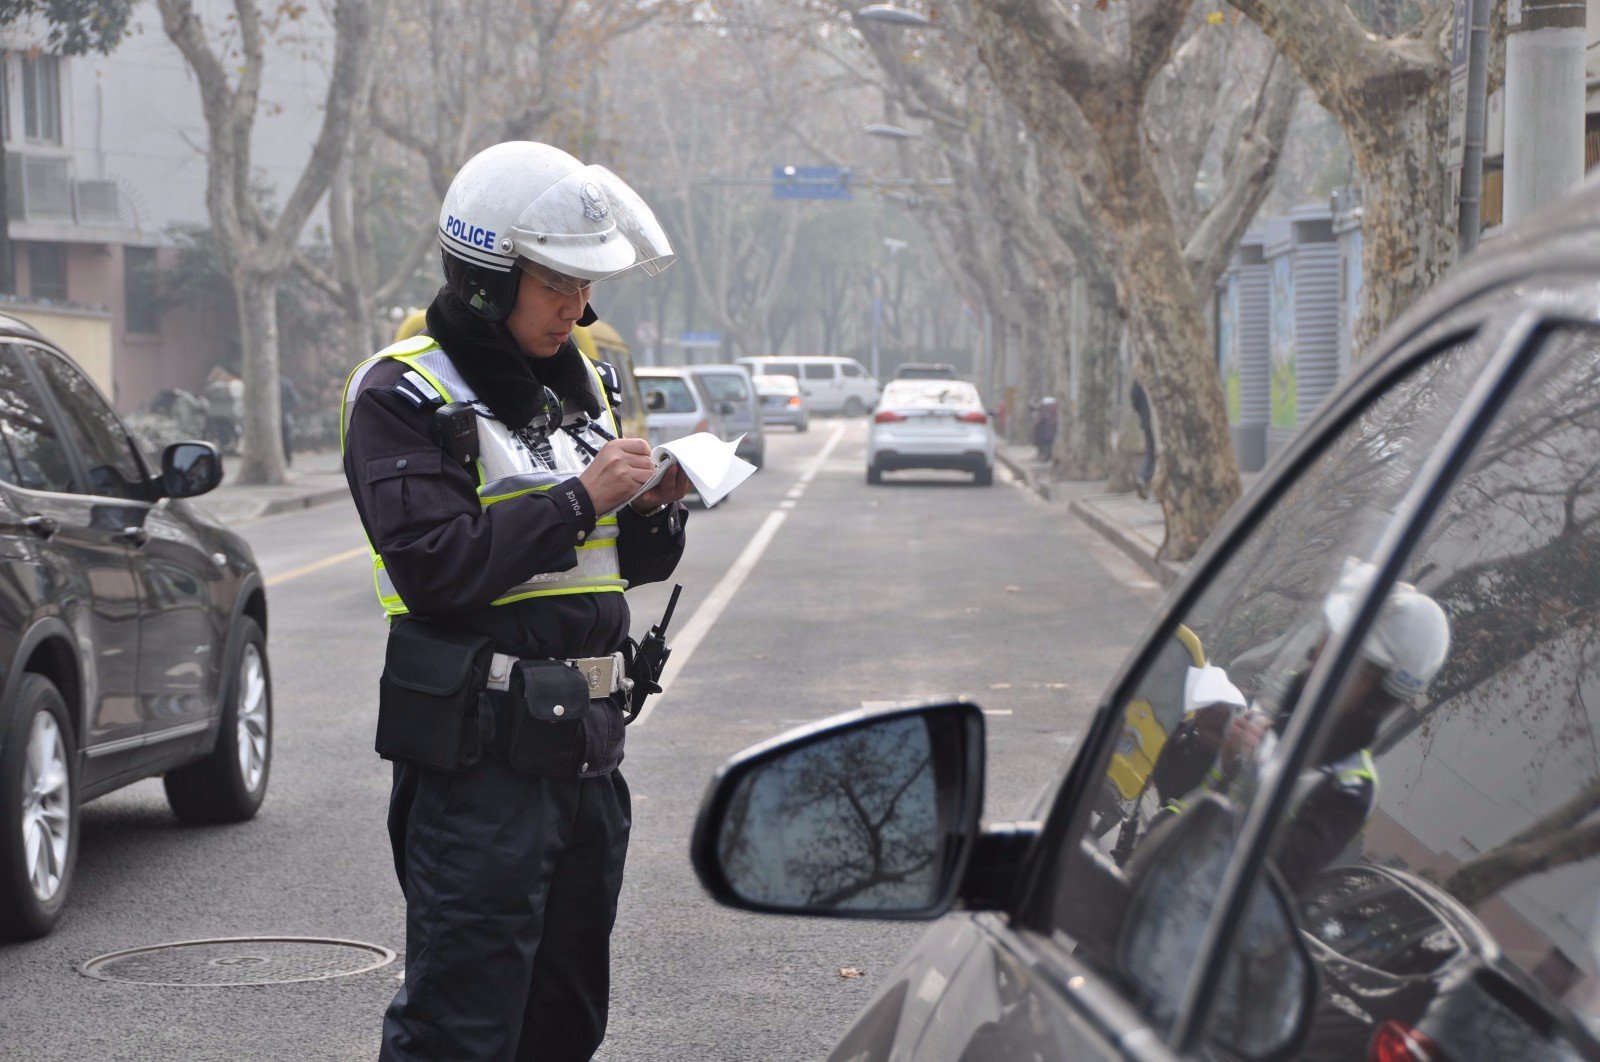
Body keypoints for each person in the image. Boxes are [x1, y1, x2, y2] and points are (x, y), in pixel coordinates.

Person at [340, 141, 689, 1061]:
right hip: (480, 761)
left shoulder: (585, 388)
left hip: (586, 752)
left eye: (586, 286)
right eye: (558, 286)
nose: (579, 308)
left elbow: (610, 569)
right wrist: (580, 500)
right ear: (491, 280)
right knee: (462, 1023)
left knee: (565, 1017)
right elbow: (436, 568)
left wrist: (655, 511)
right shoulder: (403, 391)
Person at [1130, 379, 1155, 500]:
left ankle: (1143, 478)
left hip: (1146, 419)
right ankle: (1151, 484)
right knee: (1161, 454)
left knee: (1150, 452)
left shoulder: (1140, 376)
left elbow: (1134, 397)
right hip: (1161, 421)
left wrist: (1142, 413)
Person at [279, 376, 302, 467]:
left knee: (286, 439)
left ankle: (288, 460)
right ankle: (288, 460)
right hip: (284, 415)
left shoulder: (285, 384)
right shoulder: (286, 383)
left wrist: (284, 409)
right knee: (286, 439)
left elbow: (295, 400)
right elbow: (295, 400)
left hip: (283, 416)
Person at [1032, 395, 1058, 461]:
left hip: (1045, 431)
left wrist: (1036, 425)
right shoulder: (1054, 410)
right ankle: (1047, 456)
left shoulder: (1045, 410)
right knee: (1048, 443)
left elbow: (1039, 420)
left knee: (1046, 443)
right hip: (1049, 430)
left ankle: (1047, 456)